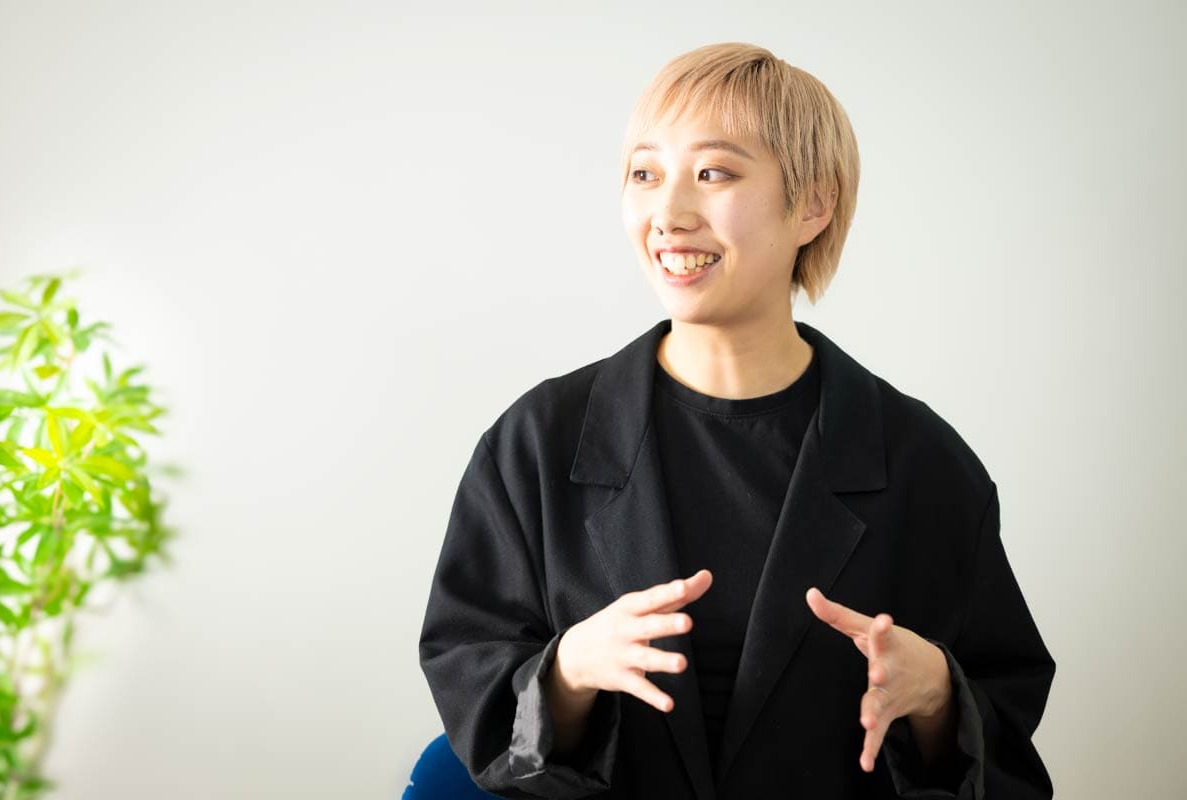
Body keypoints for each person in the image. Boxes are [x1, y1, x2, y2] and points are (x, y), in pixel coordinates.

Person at [419, 42, 1055, 799]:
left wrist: (939, 696)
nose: (669, 214)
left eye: (714, 173)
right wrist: (567, 672)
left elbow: (1005, 731)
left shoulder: (924, 464)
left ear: (813, 205)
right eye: (645, 174)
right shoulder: (535, 445)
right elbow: (472, 690)